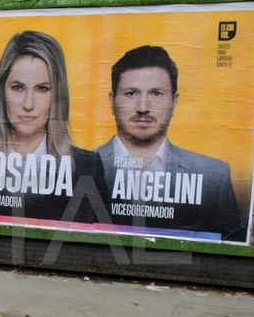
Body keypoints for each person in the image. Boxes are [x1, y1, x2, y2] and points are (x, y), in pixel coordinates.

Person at [96, 45, 245, 241]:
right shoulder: (78, 168)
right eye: (131, 93)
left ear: (174, 102)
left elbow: (229, 254)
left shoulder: (213, 178)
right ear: (111, 101)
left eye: (156, 94)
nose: (143, 108)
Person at [0, 30, 107, 222]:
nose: (28, 104)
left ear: (58, 95)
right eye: (18, 87)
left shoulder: (88, 166)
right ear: (1, 91)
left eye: (42, 88)